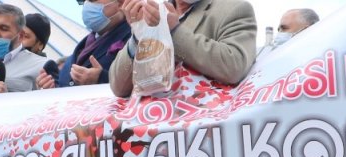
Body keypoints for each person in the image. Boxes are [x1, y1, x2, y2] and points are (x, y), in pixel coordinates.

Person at [109, 0, 257, 98]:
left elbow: (234, 65)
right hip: (150, 129)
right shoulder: (154, 10)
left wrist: (174, 31)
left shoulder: (235, 8)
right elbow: (118, 87)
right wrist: (138, 34)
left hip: (199, 129)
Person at [37, 0, 132, 89]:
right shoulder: (83, 46)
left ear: (120, 3)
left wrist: (101, 78)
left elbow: (140, 82)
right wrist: (53, 87)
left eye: (92, 0)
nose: (87, 4)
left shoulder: (134, 38)